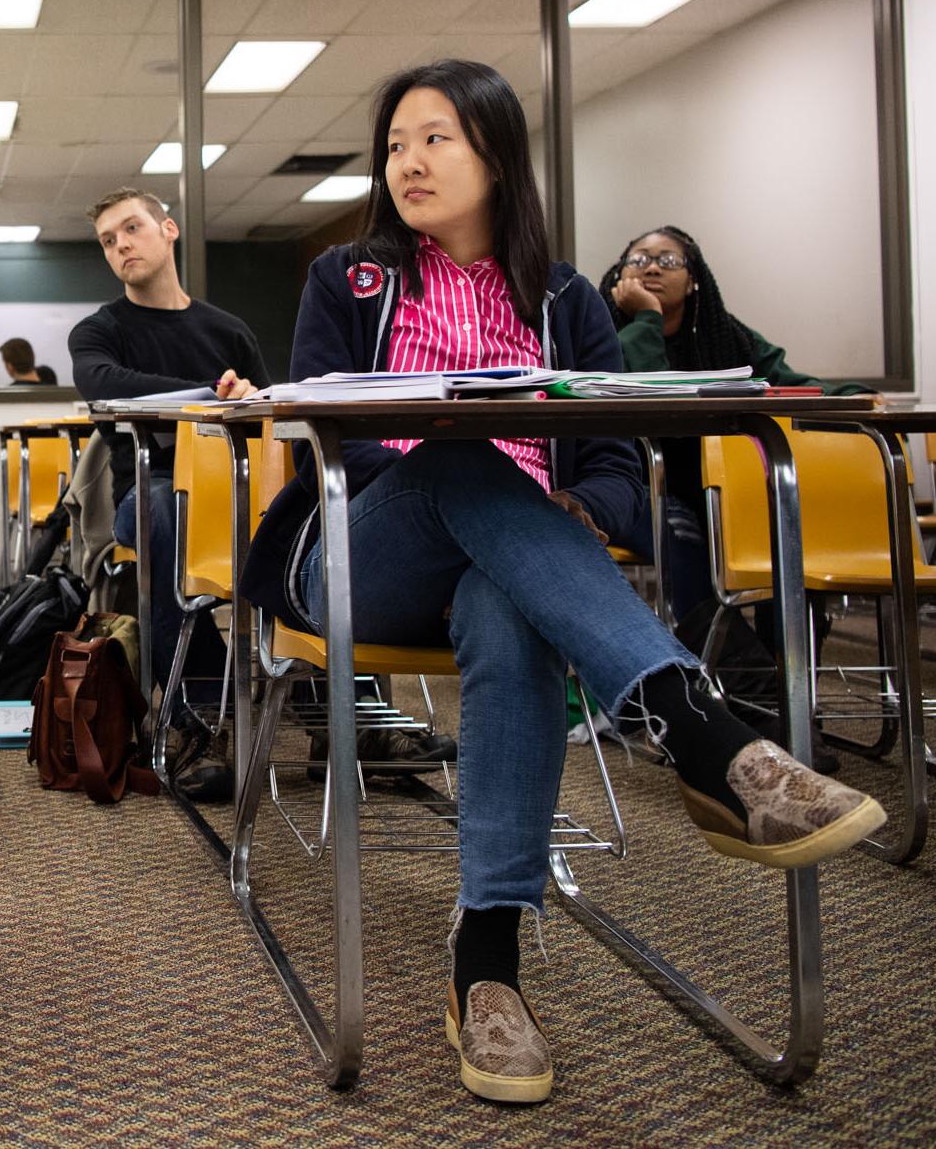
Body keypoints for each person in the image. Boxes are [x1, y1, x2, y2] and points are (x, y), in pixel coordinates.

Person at [244, 59, 884, 1106]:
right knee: (459, 453)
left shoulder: (564, 299)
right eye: (397, 143)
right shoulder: (347, 279)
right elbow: (337, 440)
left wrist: (585, 514)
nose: (409, 160)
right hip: (364, 555)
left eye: (436, 138)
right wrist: (483, 472)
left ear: (497, 154)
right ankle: (700, 730)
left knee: (509, 606)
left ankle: (486, 960)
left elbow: (618, 465)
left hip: (518, 568)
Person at [68, 188, 271, 802]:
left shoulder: (227, 330)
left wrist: (244, 395)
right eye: (108, 240)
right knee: (161, 517)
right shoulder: (99, 332)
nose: (121, 244)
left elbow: (265, 409)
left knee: (328, 514)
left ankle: (347, 716)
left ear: (169, 230)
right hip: (153, 487)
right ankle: (204, 719)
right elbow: (106, 387)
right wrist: (211, 392)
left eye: (132, 228)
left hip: (238, 486)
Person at [599, 226, 873, 624]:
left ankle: (781, 659)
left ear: (693, 280)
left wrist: (854, 394)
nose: (652, 269)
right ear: (621, 277)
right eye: (638, 260)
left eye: (668, 260)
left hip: (711, 486)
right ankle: (730, 665)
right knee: (680, 531)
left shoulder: (723, 336)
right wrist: (647, 318)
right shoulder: (606, 333)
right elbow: (653, 396)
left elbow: (784, 381)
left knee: (780, 525)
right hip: (635, 484)